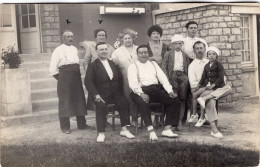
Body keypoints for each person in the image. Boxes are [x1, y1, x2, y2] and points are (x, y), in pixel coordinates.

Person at [128, 44, 181, 141]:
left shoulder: (153, 64)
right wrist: (141, 94)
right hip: (139, 90)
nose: (144, 55)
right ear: (137, 54)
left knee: (175, 100)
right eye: (141, 53)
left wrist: (170, 91)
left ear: (148, 53)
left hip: (155, 90)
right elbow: (133, 83)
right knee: (142, 102)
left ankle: (167, 129)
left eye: (145, 52)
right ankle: (151, 130)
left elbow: (163, 79)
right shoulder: (133, 66)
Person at [85, 42, 135, 143]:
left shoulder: (113, 63)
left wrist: (120, 92)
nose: (104, 51)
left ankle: (124, 129)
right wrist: (96, 95)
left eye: (105, 49)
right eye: (101, 50)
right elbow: (88, 82)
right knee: (101, 106)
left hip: (114, 94)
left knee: (123, 102)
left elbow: (120, 79)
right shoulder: (93, 65)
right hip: (101, 95)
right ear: (96, 51)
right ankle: (101, 132)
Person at [49, 30, 90, 134]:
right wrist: (62, 79)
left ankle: (82, 124)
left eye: (72, 36)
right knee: (65, 101)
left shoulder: (74, 49)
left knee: (79, 99)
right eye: (68, 37)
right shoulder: (58, 50)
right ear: (63, 38)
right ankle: (65, 127)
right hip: (64, 77)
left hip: (76, 76)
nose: (71, 38)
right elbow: (53, 69)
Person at [188, 41, 229, 138]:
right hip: (203, 89)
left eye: (201, 48)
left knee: (229, 88)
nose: (199, 50)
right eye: (197, 48)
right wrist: (204, 87)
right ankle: (214, 129)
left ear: (204, 49)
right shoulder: (192, 66)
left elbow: (222, 77)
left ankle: (203, 113)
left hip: (216, 87)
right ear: (194, 50)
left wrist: (215, 85)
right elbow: (196, 83)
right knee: (211, 100)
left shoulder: (214, 63)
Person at [194, 47, 232, 127]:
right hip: (209, 87)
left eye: (213, 54)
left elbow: (220, 78)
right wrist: (199, 85)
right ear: (207, 55)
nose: (211, 56)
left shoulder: (219, 65)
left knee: (228, 88)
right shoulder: (206, 66)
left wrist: (213, 85)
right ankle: (203, 118)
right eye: (209, 54)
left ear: (216, 56)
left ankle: (202, 117)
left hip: (217, 87)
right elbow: (203, 77)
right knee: (208, 98)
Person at [161, 34, 191, 131]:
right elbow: (164, 67)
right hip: (171, 74)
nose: (178, 45)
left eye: (180, 43)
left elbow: (188, 68)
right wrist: (166, 79)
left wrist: (187, 77)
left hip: (182, 74)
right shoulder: (168, 54)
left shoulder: (185, 55)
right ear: (172, 45)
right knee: (174, 96)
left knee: (182, 97)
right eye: (176, 44)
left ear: (182, 44)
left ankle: (179, 121)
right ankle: (171, 121)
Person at [111, 28, 138, 122]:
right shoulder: (117, 52)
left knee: (137, 96)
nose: (127, 40)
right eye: (125, 38)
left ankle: (135, 118)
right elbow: (113, 65)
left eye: (129, 38)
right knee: (127, 97)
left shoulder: (138, 49)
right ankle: (126, 119)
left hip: (138, 77)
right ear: (122, 40)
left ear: (133, 39)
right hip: (124, 77)